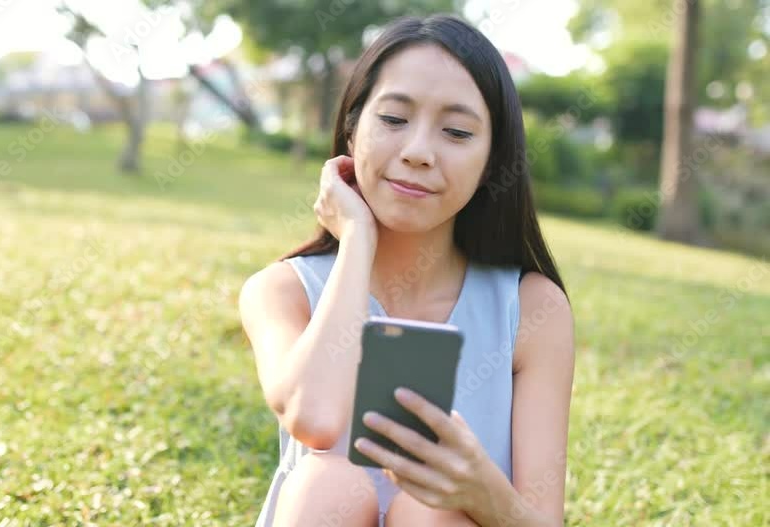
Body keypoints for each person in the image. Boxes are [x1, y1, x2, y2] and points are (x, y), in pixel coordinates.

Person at [238, 14, 575, 527]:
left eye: (457, 132)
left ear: (491, 161)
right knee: (331, 481)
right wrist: (356, 241)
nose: (417, 152)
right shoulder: (283, 290)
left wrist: (480, 488)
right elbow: (315, 419)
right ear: (352, 132)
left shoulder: (533, 309)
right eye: (394, 120)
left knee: (429, 509)